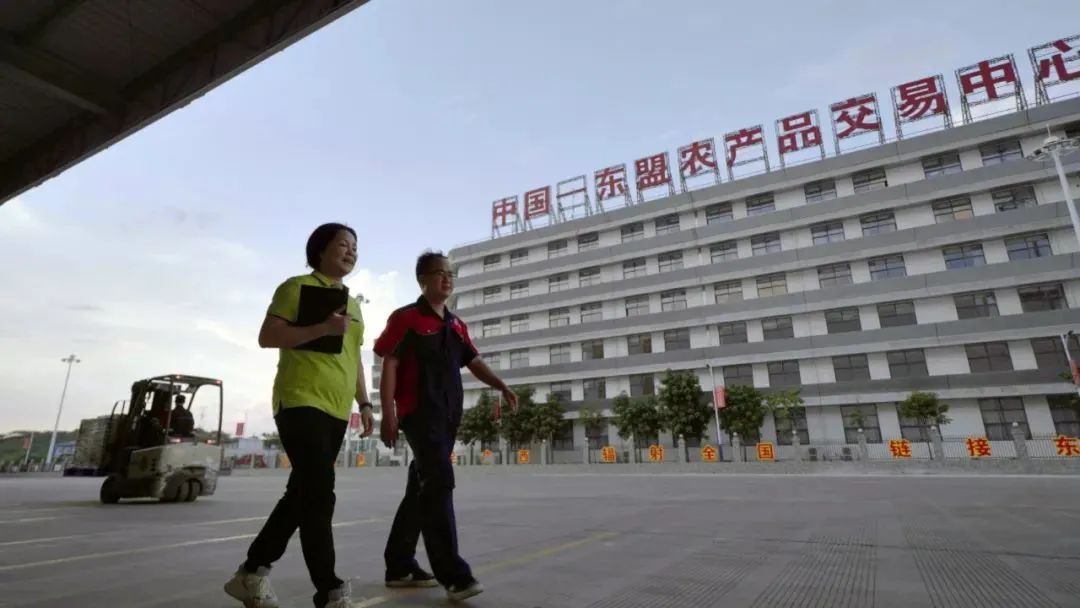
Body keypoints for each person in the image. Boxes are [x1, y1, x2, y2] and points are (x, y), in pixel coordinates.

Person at [225, 223, 374, 608]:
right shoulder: (296, 287)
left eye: (355, 247)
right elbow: (268, 336)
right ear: (320, 250)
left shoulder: (354, 304)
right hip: (300, 400)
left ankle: (251, 573)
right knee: (320, 492)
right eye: (343, 244)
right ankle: (329, 590)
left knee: (302, 494)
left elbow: (355, 359)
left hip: (337, 409)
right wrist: (323, 327)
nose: (351, 252)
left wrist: (365, 403)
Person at [375, 250, 518, 602]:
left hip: (449, 414)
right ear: (422, 280)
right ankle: (454, 574)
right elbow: (390, 364)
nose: (447, 278)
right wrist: (388, 414)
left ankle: (400, 565)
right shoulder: (406, 318)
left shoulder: (456, 325)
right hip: (418, 412)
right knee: (438, 481)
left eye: (450, 273)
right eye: (439, 273)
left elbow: (473, 361)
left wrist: (501, 385)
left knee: (420, 486)